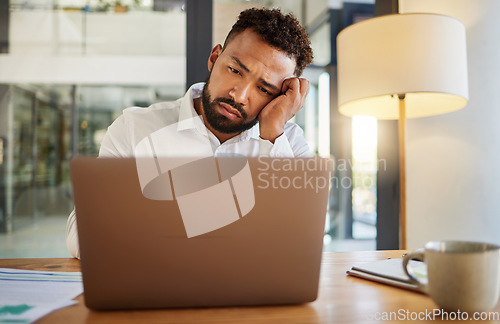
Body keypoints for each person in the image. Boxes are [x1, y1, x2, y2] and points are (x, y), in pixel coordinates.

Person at [66, 7, 314, 258]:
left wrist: (271, 134)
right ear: (214, 57)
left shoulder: (287, 142)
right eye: (235, 70)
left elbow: (303, 236)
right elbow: (80, 236)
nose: (239, 95)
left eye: (263, 89)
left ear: (281, 96)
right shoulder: (134, 128)